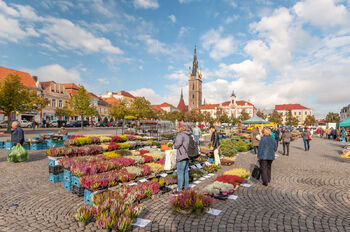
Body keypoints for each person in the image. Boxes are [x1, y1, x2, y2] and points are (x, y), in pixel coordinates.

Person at [174, 126, 191, 193]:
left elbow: (177, 144)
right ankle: (186, 187)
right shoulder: (188, 134)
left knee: (180, 172)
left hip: (181, 155)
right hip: (187, 154)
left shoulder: (180, 134)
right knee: (186, 172)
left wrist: (174, 145)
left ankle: (180, 189)